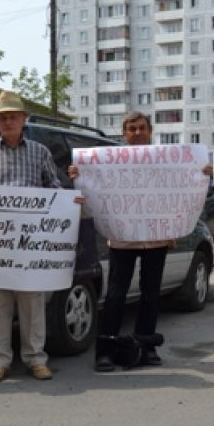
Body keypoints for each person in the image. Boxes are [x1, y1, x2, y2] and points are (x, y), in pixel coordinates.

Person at [0, 91, 63, 383]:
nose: (8, 121)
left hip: (30, 245)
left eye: (13, 116)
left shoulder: (40, 152)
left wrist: (70, 203)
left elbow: (54, 188)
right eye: (2, 117)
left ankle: (35, 359)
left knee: (32, 304)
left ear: (24, 120)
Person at [85, 112, 171, 372]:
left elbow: (175, 191)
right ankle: (106, 351)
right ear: (124, 132)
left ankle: (147, 346)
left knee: (151, 295)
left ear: (150, 130)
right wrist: (79, 172)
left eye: (141, 128)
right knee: (115, 295)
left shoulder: (165, 161)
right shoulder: (110, 161)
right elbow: (93, 183)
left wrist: (200, 174)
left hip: (155, 238)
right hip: (122, 238)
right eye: (131, 128)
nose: (136, 133)